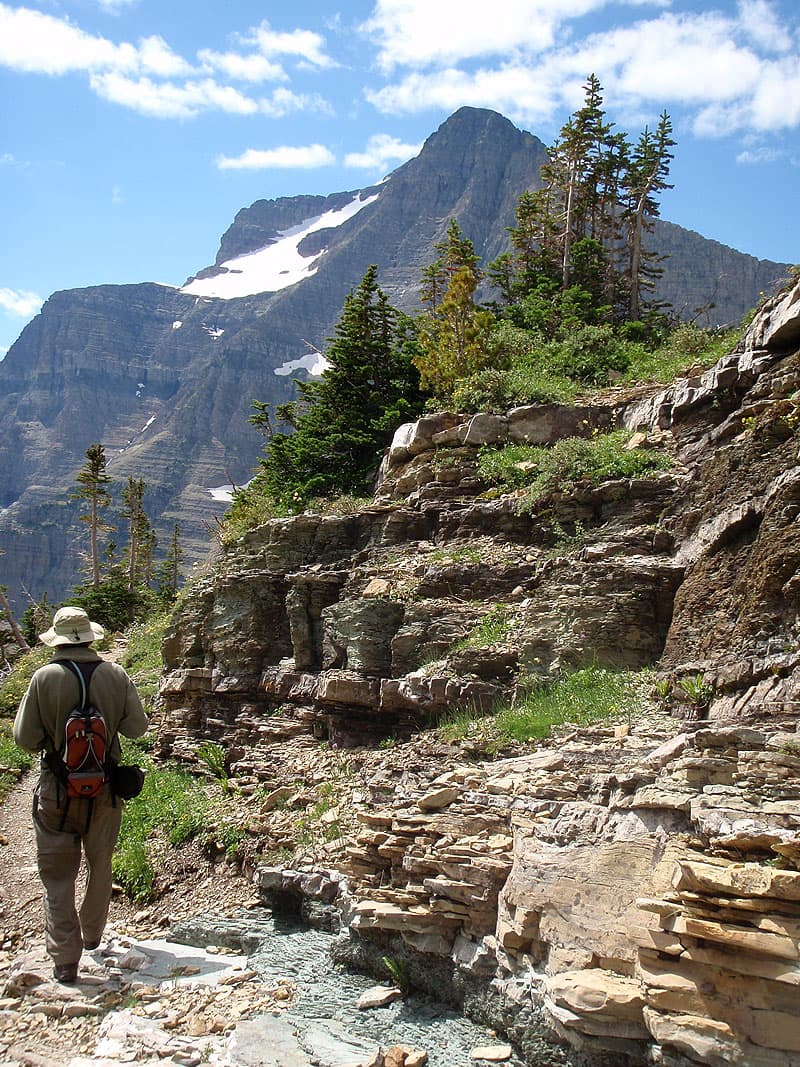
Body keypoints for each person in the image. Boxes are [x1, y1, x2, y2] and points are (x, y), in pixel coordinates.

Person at [13, 606, 148, 983]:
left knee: (57, 877)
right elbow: (137, 728)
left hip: (56, 791)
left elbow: (25, 739)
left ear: (57, 639)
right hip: (105, 791)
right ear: (91, 636)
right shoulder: (115, 675)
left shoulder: (43, 678)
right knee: (100, 863)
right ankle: (92, 937)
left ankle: (64, 960)